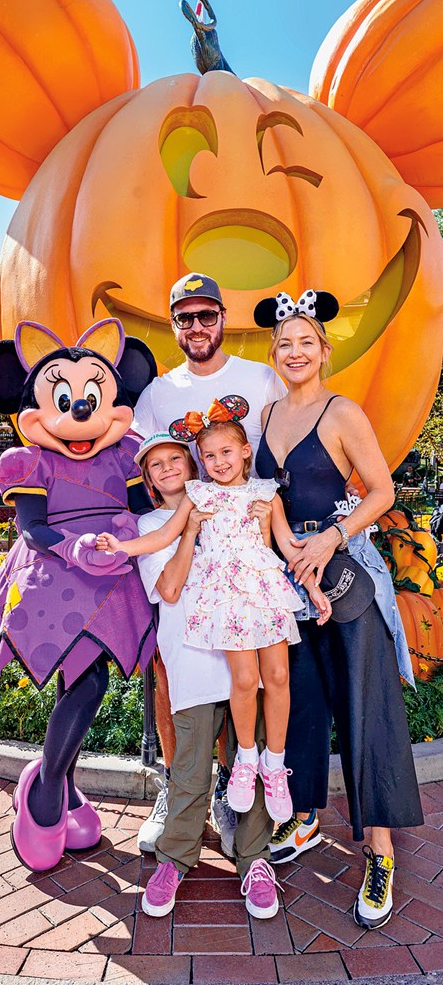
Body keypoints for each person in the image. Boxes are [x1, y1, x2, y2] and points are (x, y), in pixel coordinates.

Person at [253, 290, 422, 930]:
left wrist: (330, 538)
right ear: (274, 352)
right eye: (285, 343)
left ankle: (379, 851)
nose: (295, 352)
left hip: (345, 575)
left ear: (323, 351)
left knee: (362, 708)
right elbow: (261, 493)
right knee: (294, 701)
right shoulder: (265, 414)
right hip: (284, 581)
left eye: (306, 342)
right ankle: (301, 817)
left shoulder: (341, 411)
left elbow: (383, 490)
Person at [98, 419, 328, 823]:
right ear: (200, 462)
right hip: (226, 597)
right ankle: (245, 759)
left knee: (276, 678)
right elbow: (165, 535)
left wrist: (315, 590)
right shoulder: (198, 494)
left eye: (226, 452)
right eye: (209, 455)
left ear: (244, 452)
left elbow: (292, 549)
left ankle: (274, 765)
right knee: (242, 680)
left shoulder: (266, 494)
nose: (219, 461)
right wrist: (123, 546)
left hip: (265, 592)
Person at [130, 272, 287, 856]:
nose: (196, 326)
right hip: (185, 548)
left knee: (241, 679)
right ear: (174, 325)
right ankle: (178, 788)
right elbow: (146, 465)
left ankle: (232, 788)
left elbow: (279, 453)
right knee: (175, 678)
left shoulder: (259, 379)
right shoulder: (157, 395)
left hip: (244, 560)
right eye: (184, 317)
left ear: (223, 317)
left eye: (206, 314)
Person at [127, 434, 282, 921]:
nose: (168, 468)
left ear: (193, 465)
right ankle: (175, 859)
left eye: (176, 458)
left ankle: (255, 860)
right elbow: (169, 589)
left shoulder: (231, 503)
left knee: (249, 759)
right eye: (156, 465)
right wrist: (189, 530)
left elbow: (266, 561)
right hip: (193, 662)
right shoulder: (152, 523)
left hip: (244, 658)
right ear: (149, 480)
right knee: (190, 770)